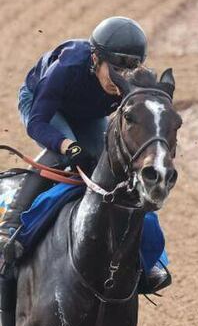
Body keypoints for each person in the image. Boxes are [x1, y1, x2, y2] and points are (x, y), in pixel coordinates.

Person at [1, 16, 171, 293]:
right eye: (114, 69)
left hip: (88, 114)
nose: (120, 80)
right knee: (61, 155)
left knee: (112, 167)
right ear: (95, 58)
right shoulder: (67, 67)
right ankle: (8, 228)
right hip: (43, 105)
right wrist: (68, 145)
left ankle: (147, 257)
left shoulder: (130, 81)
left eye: (129, 70)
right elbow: (38, 122)